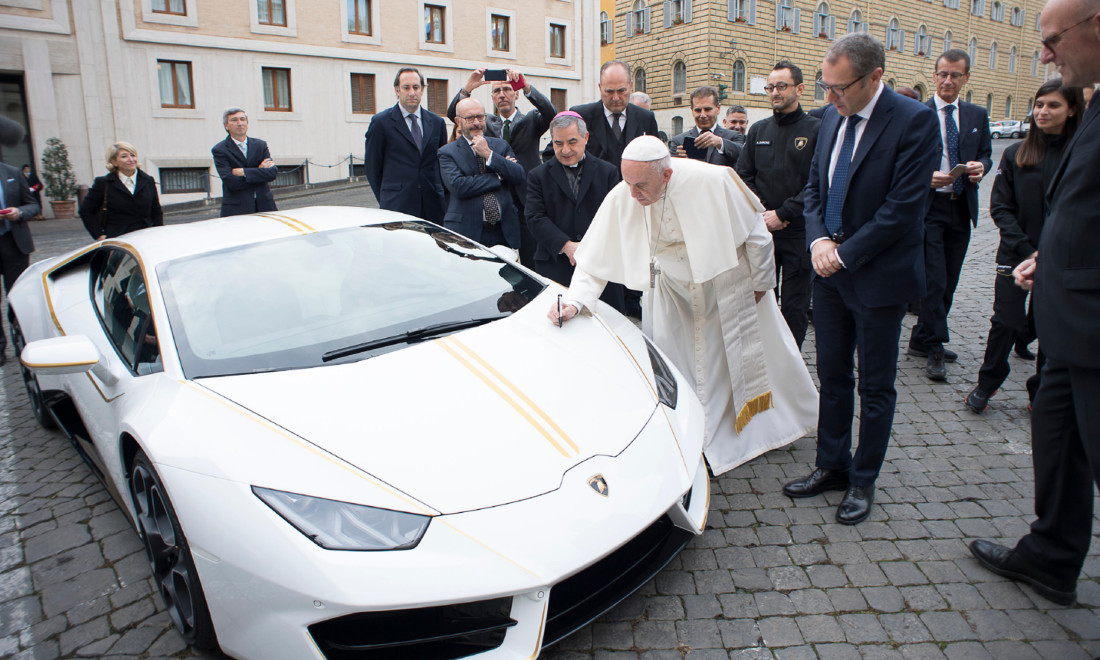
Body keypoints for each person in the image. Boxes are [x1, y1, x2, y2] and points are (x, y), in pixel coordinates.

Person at [549, 135, 818, 475]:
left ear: (666, 174)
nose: (633, 195)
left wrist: (761, 285)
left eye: (641, 186)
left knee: (729, 366)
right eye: (628, 183)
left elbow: (758, 237)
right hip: (671, 292)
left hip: (724, 285)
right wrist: (575, 301)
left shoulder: (715, 181)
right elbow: (594, 256)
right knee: (677, 366)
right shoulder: (627, 191)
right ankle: (691, 434)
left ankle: (756, 433)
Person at [968, 0, 1100, 606]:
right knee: (1056, 440)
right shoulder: (1092, 109)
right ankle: (1051, 556)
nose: (1044, 54)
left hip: (1092, 328)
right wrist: (1050, 260)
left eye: (1052, 39)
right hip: (1065, 328)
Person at [784, 33, 940, 524]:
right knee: (832, 375)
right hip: (829, 273)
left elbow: (902, 211)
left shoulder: (914, 122)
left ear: (875, 77)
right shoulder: (831, 116)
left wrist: (843, 253)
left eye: (839, 87)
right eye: (824, 87)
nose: (828, 98)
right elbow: (813, 191)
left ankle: (862, 479)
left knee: (875, 386)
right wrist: (818, 243)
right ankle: (831, 464)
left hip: (877, 278)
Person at [964, 78, 1084, 413]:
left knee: (1048, 327)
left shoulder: (1081, 153)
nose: (1043, 111)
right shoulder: (1018, 153)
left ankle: (1040, 390)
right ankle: (987, 383)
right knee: (1006, 322)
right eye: (1040, 104)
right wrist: (1027, 249)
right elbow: (1001, 207)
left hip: (1062, 258)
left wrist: (1049, 252)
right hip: (1015, 255)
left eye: (1053, 105)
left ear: (1072, 108)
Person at [907, 49, 993, 381]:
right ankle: (935, 347)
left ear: (966, 78)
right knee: (934, 279)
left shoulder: (976, 115)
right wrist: (925, 177)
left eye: (955, 75)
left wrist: (980, 166)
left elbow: (985, 152)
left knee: (950, 281)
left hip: (961, 205)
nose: (948, 80)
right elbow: (903, 161)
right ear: (934, 75)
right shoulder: (917, 113)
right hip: (929, 207)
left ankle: (920, 337)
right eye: (942, 73)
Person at [735, 61, 822, 349]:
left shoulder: (816, 130)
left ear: (799, 89)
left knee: (795, 307)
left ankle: (791, 360)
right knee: (761, 299)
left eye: (781, 86)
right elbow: (743, 175)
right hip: (762, 232)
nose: (775, 92)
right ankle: (766, 355)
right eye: (770, 87)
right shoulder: (759, 130)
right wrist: (765, 212)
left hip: (798, 233)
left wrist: (784, 213)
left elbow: (817, 182)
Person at [524, 112, 626, 313]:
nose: (565, 150)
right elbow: (534, 217)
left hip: (600, 264)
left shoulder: (608, 172)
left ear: (585, 138)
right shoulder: (538, 176)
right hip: (555, 265)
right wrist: (567, 246)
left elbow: (615, 217)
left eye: (572, 142)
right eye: (558, 143)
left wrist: (589, 248)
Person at [438, 98, 526, 251]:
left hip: (504, 232)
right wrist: (498, 176)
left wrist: (490, 155)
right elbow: (459, 186)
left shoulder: (500, 146)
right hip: (466, 232)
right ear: (458, 121)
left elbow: (518, 175)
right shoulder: (447, 152)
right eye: (470, 118)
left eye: (480, 117)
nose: (477, 122)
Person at [364, 68, 447, 222]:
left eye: (416, 87)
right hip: (397, 206)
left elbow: (442, 164)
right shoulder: (381, 122)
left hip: (433, 206)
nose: (412, 93)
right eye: (406, 87)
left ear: (422, 90)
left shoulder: (437, 123)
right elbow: (372, 167)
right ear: (397, 90)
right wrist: (386, 198)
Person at [570, 61, 660, 171]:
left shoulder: (646, 118)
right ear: (600, 87)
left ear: (631, 86)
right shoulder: (581, 116)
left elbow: (657, 160)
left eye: (621, 91)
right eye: (609, 91)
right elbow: (555, 154)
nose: (616, 97)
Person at [79, 142, 164, 240]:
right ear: (114, 162)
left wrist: (158, 233)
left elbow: (156, 211)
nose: (131, 159)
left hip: (145, 238)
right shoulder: (103, 183)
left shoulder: (148, 180)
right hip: (118, 240)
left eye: (133, 155)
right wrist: (99, 236)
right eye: (124, 156)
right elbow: (86, 211)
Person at [0, 159, 41, 365]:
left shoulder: (12, 173)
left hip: (13, 243)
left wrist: (20, 212)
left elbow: (33, 205)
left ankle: (21, 340)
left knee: (17, 295)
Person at [211, 108, 278, 217]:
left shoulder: (260, 145)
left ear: (247, 123)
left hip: (266, 206)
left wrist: (243, 172)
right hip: (237, 209)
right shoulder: (220, 150)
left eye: (243, 119)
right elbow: (231, 182)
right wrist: (260, 171)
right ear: (226, 125)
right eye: (234, 120)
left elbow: (272, 173)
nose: (239, 123)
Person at [668, 86, 742, 167]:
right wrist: (678, 161)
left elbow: (742, 156)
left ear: (718, 108)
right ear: (692, 111)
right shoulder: (679, 141)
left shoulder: (733, 137)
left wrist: (720, 143)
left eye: (707, 109)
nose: (702, 115)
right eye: (698, 110)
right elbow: (673, 173)